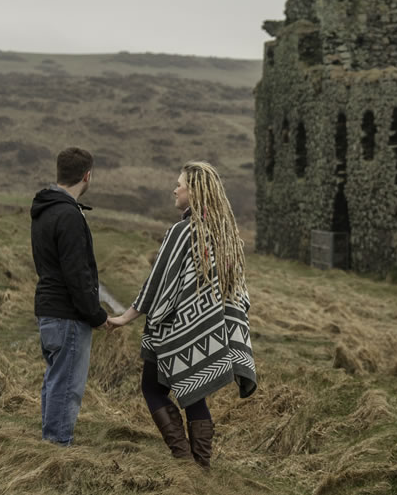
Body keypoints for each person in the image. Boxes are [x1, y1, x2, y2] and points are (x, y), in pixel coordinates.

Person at [108, 161, 257, 467]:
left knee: (152, 388)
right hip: (210, 332)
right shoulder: (226, 234)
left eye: (180, 184)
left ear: (195, 192)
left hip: (174, 330)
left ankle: (185, 460)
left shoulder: (182, 232)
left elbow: (158, 282)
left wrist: (126, 317)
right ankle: (200, 466)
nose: (174, 189)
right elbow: (236, 294)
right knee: (194, 394)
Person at [30, 147, 111, 446]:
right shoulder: (68, 215)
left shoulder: (45, 210)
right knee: (67, 385)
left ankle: (49, 443)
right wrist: (96, 315)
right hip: (67, 315)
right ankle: (57, 448)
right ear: (87, 176)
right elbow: (77, 275)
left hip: (48, 310)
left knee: (55, 379)